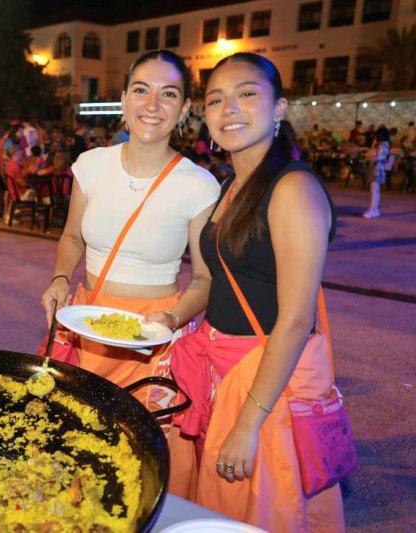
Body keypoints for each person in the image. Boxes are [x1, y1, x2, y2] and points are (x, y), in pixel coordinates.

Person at [169, 52, 345, 530]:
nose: (229, 109)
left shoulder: (292, 189)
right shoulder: (232, 184)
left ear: (279, 109)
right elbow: (221, 279)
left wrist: (249, 422)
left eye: (247, 94)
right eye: (216, 100)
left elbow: (294, 320)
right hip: (221, 368)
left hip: (264, 381)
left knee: (257, 511)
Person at [40, 50, 220, 497]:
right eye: (141, 90)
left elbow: (204, 279)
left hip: (155, 332)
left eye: (168, 94)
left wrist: (172, 319)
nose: (152, 104)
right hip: (87, 323)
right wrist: (61, 279)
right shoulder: (91, 165)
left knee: (145, 460)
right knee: (80, 448)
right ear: (123, 99)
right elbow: (72, 239)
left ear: (183, 109)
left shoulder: (198, 184)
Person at [363, 127, 390, 219]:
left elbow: (378, 157)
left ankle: (373, 210)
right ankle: (374, 209)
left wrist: (369, 156)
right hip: (375, 168)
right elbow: (371, 153)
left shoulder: (383, 146)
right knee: (374, 190)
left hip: (378, 170)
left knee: (375, 191)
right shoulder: (379, 145)